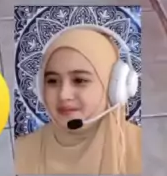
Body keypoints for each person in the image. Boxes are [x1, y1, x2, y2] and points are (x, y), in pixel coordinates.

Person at [15, 27, 142, 174]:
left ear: (113, 86)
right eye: (52, 81)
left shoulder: (142, 148)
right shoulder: (21, 151)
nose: (63, 95)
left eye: (79, 80)